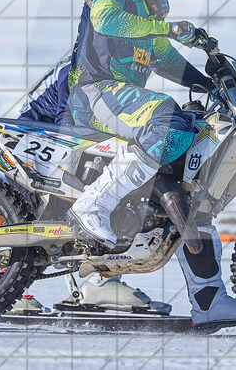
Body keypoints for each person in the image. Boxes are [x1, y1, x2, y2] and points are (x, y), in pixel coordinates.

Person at [66, 0, 236, 327]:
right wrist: (165, 28)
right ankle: (92, 205)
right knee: (166, 114)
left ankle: (209, 299)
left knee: (190, 186)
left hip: (125, 102)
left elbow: (159, 55)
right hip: (96, 94)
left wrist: (204, 81)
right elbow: (108, 21)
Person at [12, 55, 171, 315]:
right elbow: (72, 119)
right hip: (34, 137)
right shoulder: (85, 61)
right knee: (44, 217)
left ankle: (102, 281)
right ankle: (7, 285)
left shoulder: (130, 58)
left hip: (65, 135)